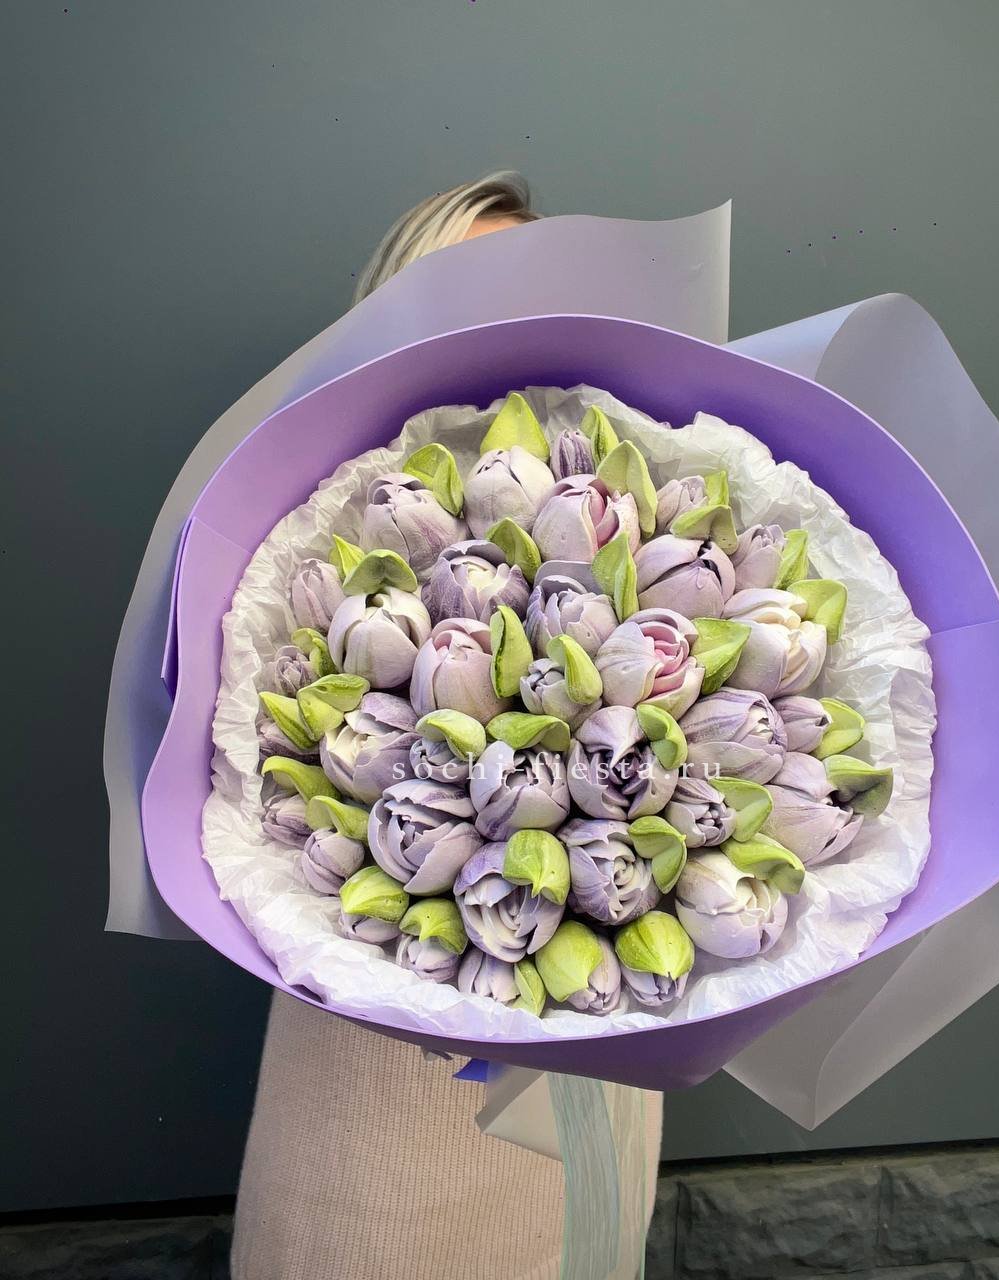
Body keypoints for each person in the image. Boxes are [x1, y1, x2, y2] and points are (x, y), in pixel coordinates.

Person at [230, 172, 664, 1280]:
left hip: (589, 1014)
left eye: (530, 279)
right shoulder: (312, 508)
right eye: (466, 280)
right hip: (369, 1026)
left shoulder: (640, 489)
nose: (502, 308)